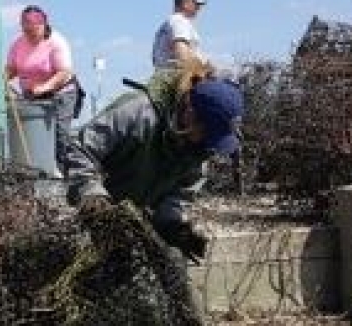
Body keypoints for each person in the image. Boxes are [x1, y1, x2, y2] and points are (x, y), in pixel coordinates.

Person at [60, 59, 244, 265]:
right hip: (99, 212)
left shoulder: (199, 151)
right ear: (190, 113)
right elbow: (79, 149)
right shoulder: (138, 112)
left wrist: (172, 225)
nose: (208, 143)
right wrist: (92, 194)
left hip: (134, 219)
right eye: (207, 133)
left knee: (167, 264)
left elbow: (181, 193)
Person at [6, 5, 83, 175]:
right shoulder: (18, 44)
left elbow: (64, 73)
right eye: (26, 30)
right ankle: (36, 173)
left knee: (59, 136)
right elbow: (11, 69)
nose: (29, 35)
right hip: (32, 95)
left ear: (43, 26)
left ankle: (63, 175)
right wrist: (2, 79)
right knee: (34, 135)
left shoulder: (57, 42)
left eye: (33, 30)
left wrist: (43, 87)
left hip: (61, 93)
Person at [152, 0, 208, 70]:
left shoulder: (168, 23)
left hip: (164, 75)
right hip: (181, 75)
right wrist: (203, 71)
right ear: (185, 3)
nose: (199, 8)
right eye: (196, 4)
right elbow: (182, 53)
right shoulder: (180, 21)